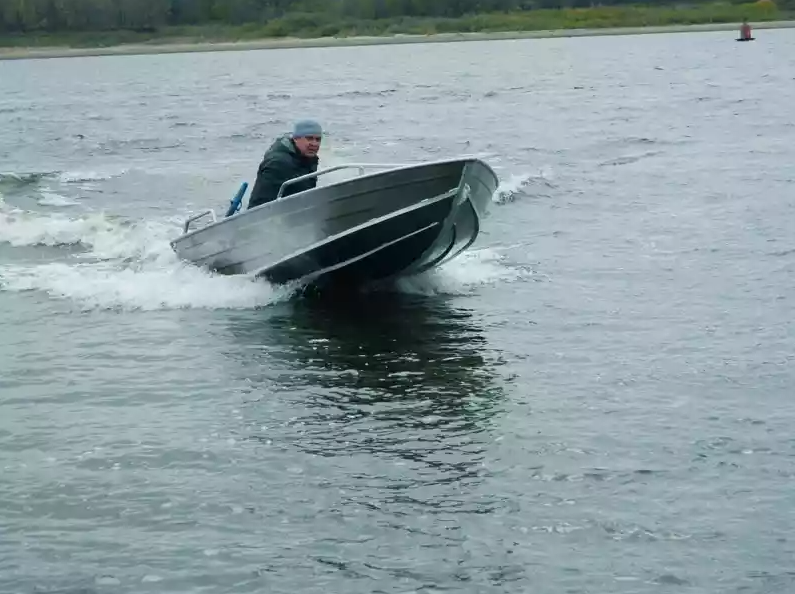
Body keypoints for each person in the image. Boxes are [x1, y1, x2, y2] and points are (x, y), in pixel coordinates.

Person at [247, 119, 323, 209]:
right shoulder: (278, 163)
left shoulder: (309, 160)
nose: (314, 144)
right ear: (296, 138)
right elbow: (263, 202)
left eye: (318, 139)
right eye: (309, 138)